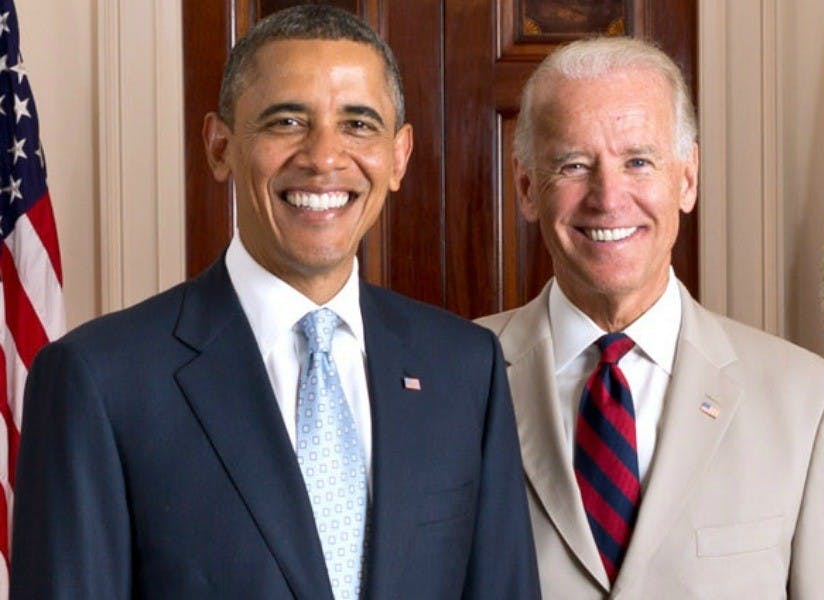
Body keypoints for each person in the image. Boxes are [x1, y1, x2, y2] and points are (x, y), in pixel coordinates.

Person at [10, 6, 539, 599]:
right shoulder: (99, 379)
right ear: (220, 146)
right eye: (287, 121)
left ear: (399, 156)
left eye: (359, 124)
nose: (323, 157)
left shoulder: (465, 367)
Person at [477, 36, 824, 598]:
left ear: (686, 179)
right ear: (526, 188)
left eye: (638, 161)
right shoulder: (456, 382)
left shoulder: (810, 407)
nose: (608, 197)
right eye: (574, 164)